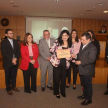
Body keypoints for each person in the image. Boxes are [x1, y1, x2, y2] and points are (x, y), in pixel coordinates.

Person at [72, 32, 97, 105]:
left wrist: (81, 62)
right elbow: (80, 54)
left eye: (83, 40)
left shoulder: (93, 48)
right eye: (81, 39)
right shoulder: (82, 45)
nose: (81, 41)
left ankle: (88, 99)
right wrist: (75, 56)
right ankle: (84, 95)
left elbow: (91, 59)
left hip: (87, 70)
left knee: (88, 85)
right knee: (83, 84)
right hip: (82, 69)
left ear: (88, 39)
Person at [50, 30, 73, 98]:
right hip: (57, 63)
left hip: (65, 63)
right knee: (56, 78)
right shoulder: (57, 42)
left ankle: (63, 91)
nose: (64, 37)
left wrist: (70, 58)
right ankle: (56, 92)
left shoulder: (71, 44)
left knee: (63, 79)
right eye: (63, 35)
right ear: (61, 36)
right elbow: (51, 49)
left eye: (65, 35)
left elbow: (72, 54)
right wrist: (56, 49)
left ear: (68, 36)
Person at [1, 29, 20, 95]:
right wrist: (12, 60)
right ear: (6, 34)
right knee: (8, 76)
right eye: (10, 33)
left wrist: (15, 59)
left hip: (15, 62)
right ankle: (8, 88)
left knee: (14, 75)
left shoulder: (15, 41)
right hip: (8, 62)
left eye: (12, 33)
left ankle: (13, 86)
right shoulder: (3, 42)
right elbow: (4, 53)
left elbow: (18, 51)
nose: (11, 34)